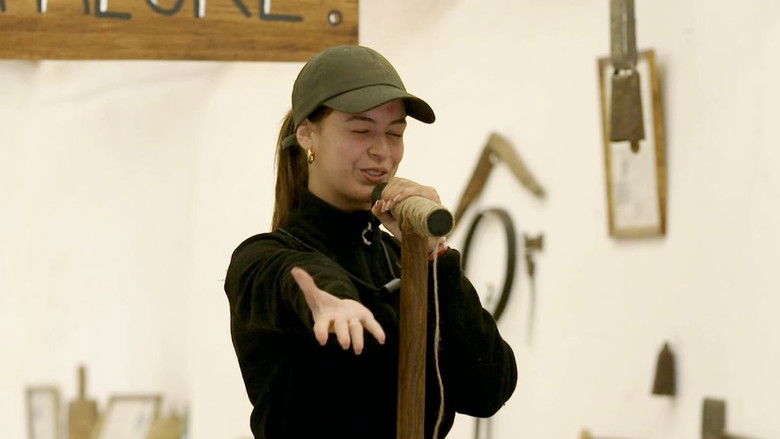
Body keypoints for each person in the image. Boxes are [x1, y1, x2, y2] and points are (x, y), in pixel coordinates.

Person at [224, 45, 517, 438]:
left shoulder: (402, 258)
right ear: (308, 134)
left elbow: (487, 391)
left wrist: (434, 257)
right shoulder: (261, 259)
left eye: (394, 133)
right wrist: (332, 300)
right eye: (361, 131)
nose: (382, 151)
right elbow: (297, 274)